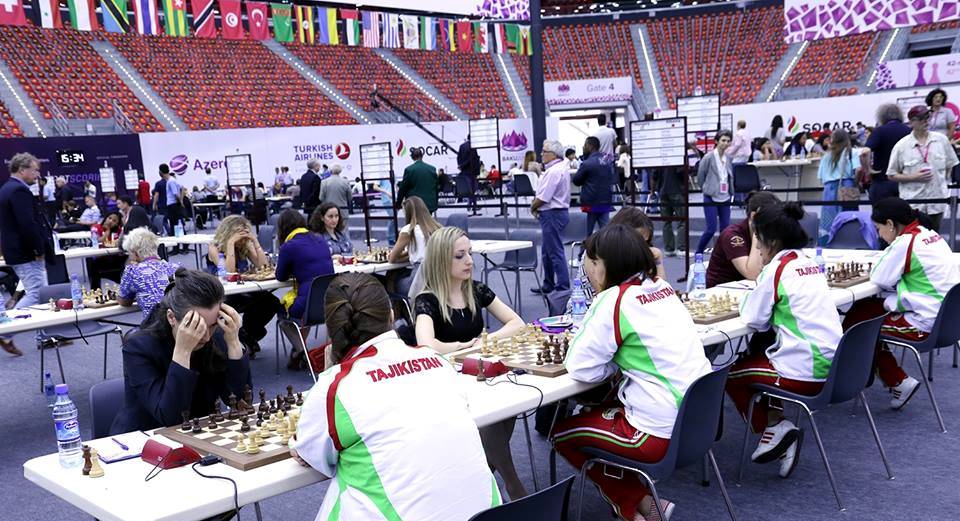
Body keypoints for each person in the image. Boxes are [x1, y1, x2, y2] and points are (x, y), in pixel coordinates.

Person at [292, 272, 500, 520]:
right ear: (391, 316)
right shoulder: (436, 359)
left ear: (332, 328)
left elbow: (313, 456)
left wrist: (330, 372)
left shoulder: (335, 387)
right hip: (486, 514)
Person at [553, 224, 711, 521]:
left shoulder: (614, 300)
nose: (588, 272)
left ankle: (640, 507)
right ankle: (645, 504)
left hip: (657, 433)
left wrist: (613, 362)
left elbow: (580, 367)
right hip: (698, 424)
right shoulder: (662, 288)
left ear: (602, 265)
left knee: (562, 433)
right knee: (606, 407)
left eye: (590, 264)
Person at [726, 201, 842, 480]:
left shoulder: (777, 270)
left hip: (808, 370)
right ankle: (776, 427)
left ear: (772, 241)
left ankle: (773, 430)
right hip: (835, 365)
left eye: (759, 241)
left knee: (730, 375)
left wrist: (752, 297)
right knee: (759, 355)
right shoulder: (808, 263)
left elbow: (754, 318)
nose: (758, 249)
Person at [413, 226, 527, 500]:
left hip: (481, 373)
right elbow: (426, 344)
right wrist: (461, 347)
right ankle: (513, 484)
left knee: (510, 402)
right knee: (492, 414)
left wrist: (483, 341)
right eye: (460, 256)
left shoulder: (477, 290)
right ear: (441, 260)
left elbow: (518, 323)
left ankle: (483, 475)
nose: (469, 261)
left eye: (470, 253)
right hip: (448, 382)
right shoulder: (427, 300)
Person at [841, 197, 959, 409]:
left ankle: (895, 381)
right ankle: (890, 378)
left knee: (859, 327)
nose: (879, 235)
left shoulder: (905, 243)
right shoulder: (930, 235)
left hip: (924, 324)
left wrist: (891, 249)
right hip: (948, 320)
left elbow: (879, 277)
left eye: (878, 229)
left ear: (890, 224)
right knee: (863, 309)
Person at [110, 269, 250, 434]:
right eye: (196, 326)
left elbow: (239, 401)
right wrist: (183, 351)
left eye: (211, 326)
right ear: (171, 317)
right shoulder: (139, 347)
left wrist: (233, 342)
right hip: (145, 438)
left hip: (202, 432)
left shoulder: (219, 333)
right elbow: (171, 417)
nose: (206, 336)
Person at [0, 153, 52, 356]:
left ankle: (44, 337)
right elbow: (27, 224)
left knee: (40, 292)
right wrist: (38, 249)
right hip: (27, 252)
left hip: (18, 251)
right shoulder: (19, 191)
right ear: (22, 170)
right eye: (35, 170)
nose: (38, 174)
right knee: (36, 293)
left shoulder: (7, 188)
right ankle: (6, 332)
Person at [206, 216, 280, 357]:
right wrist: (230, 244)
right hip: (223, 294)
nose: (242, 240)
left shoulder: (245, 245)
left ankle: (246, 335)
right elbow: (228, 273)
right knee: (233, 308)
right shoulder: (214, 248)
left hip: (243, 290)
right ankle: (246, 338)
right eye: (238, 236)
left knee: (271, 302)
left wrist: (255, 242)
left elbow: (263, 266)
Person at [567, 207, 666, 312]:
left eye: (645, 242)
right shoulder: (597, 252)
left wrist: (658, 261)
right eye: (638, 240)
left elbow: (661, 291)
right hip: (589, 311)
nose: (642, 246)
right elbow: (607, 296)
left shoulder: (637, 254)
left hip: (630, 309)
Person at [274, 209, 335, 370]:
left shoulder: (289, 246)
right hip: (329, 301)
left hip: (307, 306)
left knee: (282, 314)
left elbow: (280, 276)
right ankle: (297, 353)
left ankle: (302, 352)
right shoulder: (320, 240)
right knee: (303, 307)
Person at [887, 105, 960, 232]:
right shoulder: (901, 146)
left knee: (934, 237)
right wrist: (913, 177)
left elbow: (950, 165)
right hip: (913, 204)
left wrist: (940, 181)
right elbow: (891, 174)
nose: (925, 121)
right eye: (920, 119)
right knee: (913, 237)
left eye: (927, 117)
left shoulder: (941, 140)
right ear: (911, 122)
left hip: (937, 201)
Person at [706, 191, 781, 288]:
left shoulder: (771, 232)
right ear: (754, 216)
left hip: (751, 288)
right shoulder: (732, 235)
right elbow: (753, 274)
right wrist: (757, 231)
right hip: (721, 291)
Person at [531, 139, 571, 295]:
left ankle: (563, 287)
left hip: (552, 214)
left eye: (544, 151)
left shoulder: (554, 171)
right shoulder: (558, 168)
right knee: (547, 252)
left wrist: (533, 207)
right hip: (554, 213)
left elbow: (544, 197)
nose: (541, 154)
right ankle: (549, 283)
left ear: (554, 154)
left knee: (554, 252)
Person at [117, 228, 180, 319]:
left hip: (155, 324)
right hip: (180, 321)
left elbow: (124, 301)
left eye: (129, 253)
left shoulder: (133, 271)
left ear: (135, 253)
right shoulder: (176, 268)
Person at [388, 196, 441, 299]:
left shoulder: (409, 230)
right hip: (437, 281)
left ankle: (398, 307)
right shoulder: (437, 228)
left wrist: (400, 256)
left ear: (408, 213)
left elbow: (392, 259)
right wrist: (407, 255)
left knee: (391, 275)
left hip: (417, 283)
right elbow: (422, 254)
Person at [859, 103, 911, 202]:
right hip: (905, 181)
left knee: (881, 211)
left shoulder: (879, 131)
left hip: (882, 181)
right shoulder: (909, 131)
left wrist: (868, 170)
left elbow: (865, 152)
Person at [817, 129, 860, 243]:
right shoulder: (851, 152)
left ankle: (828, 242)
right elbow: (858, 169)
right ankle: (849, 241)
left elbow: (820, 177)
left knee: (829, 218)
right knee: (848, 216)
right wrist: (856, 182)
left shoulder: (826, 155)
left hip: (829, 190)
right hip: (847, 187)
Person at [695, 130, 733, 254]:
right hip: (711, 196)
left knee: (725, 228)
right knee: (711, 228)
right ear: (716, 141)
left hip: (725, 196)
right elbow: (700, 176)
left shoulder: (728, 158)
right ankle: (699, 252)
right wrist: (706, 188)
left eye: (728, 141)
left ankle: (722, 253)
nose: (726, 143)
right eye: (723, 140)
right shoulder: (708, 157)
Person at [572, 136, 615, 235]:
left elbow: (576, 181)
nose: (583, 147)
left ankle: (588, 245)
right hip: (606, 201)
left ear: (590, 146)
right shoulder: (608, 162)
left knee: (588, 232)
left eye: (585, 145)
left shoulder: (586, 163)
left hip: (591, 202)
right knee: (606, 232)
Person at [659, 156, 688, 257]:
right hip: (677, 189)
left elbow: (654, 174)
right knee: (682, 220)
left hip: (663, 191)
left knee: (666, 221)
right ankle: (681, 248)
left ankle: (669, 249)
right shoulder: (677, 155)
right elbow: (681, 172)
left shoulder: (660, 157)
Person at [397, 147, 439, 213]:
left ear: (412, 157)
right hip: (430, 205)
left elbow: (403, 188)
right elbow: (436, 188)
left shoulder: (409, 170)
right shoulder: (432, 169)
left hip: (415, 206)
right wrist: (435, 203)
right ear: (422, 156)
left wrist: (398, 203)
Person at [457, 136, 481, 215]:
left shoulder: (462, 146)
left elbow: (458, 157)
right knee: (473, 189)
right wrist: (477, 172)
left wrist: (461, 166)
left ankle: (471, 205)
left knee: (469, 189)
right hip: (471, 171)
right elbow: (473, 159)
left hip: (464, 171)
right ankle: (472, 205)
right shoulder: (472, 146)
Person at [165, 172, 184, 248]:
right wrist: (181, 200)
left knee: (174, 226)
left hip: (173, 205)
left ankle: (176, 247)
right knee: (177, 225)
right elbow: (182, 188)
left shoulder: (171, 181)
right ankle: (182, 245)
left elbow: (175, 193)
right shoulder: (173, 180)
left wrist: (180, 201)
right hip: (174, 204)